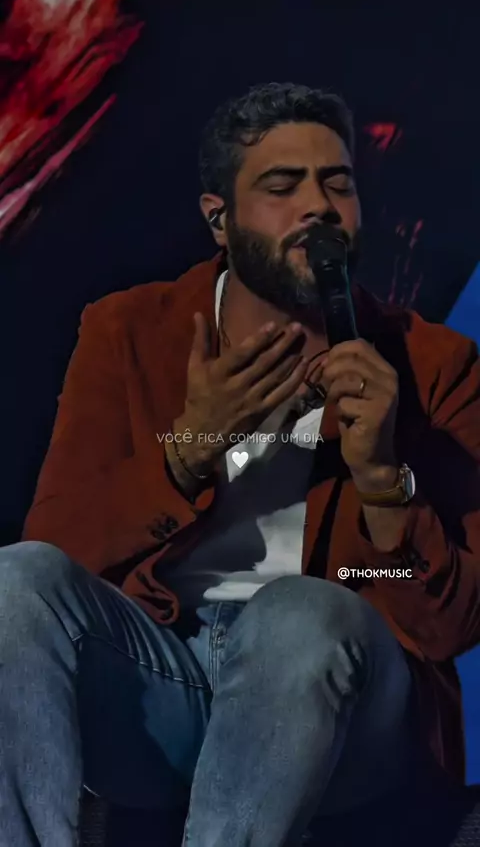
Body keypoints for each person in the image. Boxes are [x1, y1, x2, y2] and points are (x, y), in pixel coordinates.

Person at [1, 82, 479, 847]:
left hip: (340, 711)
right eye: (282, 186)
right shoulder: (129, 331)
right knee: (13, 582)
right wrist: (186, 452)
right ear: (218, 219)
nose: (318, 207)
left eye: (338, 184)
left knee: (300, 612)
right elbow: (58, 552)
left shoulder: (432, 366)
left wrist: (385, 484)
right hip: (162, 678)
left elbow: (449, 623)